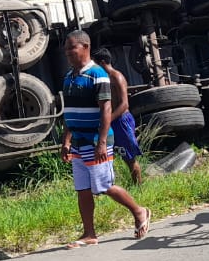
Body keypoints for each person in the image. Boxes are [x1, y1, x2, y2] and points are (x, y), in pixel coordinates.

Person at [61, 31, 150, 248]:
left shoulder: (97, 74)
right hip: (78, 142)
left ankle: (140, 211)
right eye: (66, 49)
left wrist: (101, 142)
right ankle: (89, 233)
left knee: (103, 186)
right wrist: (66, 141)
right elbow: (70, 112)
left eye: (71, 48)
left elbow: (106, 109)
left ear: (85, 47)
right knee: (82, 189)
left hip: (95, 141)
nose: (67, 53)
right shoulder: (69, 77)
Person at [91, 48, 144, 184]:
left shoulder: (116, 77)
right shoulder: (102, 79)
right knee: (105, 155)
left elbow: (124, 104)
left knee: (129, 158)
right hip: (111, 121)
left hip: (121, 120)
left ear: (102, 62)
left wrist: (108, 120)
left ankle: (139, 187)